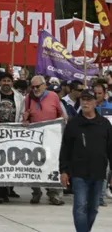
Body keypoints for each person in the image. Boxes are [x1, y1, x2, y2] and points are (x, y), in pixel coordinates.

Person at [59, 89, 112, 232]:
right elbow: (65, 149)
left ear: (96, 102)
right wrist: (64, 171)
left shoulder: (104, 124)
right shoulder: (74, 124)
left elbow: (110, 149)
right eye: (83, 99)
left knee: (93, 208)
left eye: (89, 99)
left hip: (98, 172)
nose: (85, 102)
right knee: (80, 206)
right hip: (79, 173)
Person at [23, 75, 66, 206]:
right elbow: (25, 118)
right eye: (33, 87)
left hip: (52, 139)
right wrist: (25, 119)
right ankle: (36, 192)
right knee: (34, 165)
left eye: (38, 86)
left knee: (52, 165)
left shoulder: (53, 96)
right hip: (35, 140)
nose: (35, 89)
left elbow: (62, 115)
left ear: (44, 85)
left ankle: (53, 194)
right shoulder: (28, 98)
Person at [0, 72, 25, 204]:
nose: (6, 83)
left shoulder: (19, 97)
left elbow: (22, 114)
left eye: (8, 80)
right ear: (0, 82)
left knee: (11, 162)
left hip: (13, 134)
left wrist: (19, 124)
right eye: (4, 81)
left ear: (12, 82)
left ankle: (9, 189)